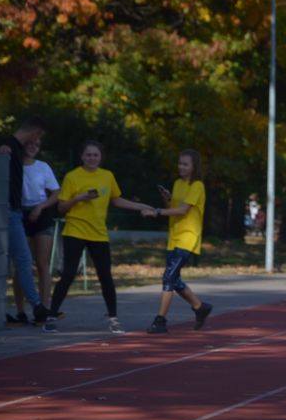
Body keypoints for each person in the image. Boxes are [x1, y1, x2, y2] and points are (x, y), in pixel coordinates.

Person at [48, 140, 154, 334]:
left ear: (100, 157)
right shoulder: (73, 177)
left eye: (95, 155)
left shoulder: (107, 176)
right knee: (69, 274)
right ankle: (51, 316)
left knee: (105, 276)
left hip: (98, 233)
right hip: (75, 230)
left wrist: (141, 206)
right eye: (88, 155)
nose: (92, 158)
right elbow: (61, 207)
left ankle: (113, 318)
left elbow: (116, 199)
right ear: (82, 157)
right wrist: (79, 198)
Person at [141, 149, 212, 333]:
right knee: (174, 279)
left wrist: (156, 211)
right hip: (175, 236)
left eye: (185, 164)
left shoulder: (197, 186)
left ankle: (160, 320)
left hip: (188, 237)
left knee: (168, 277)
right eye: (180, 163)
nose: (181, 167)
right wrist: (167, 200)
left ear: (194, 166)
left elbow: (183, 210)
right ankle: (200, 307)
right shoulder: (177, 183)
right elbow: (174, 208)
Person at [0, 117, 52, 328]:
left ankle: (0, 310)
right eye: (38, 136)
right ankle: (36, 305)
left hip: (12, 211)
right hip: (9, 212)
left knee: (9, 261)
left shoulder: (13, 148)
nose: (36, 141)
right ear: (34, 132)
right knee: (23, 260)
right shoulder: (9, 148)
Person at [10, 136, 60, 325]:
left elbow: (56, 192)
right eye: (29, 144)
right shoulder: (13, 165)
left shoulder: (43, 167)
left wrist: (41, 207)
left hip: (41, 214)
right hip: (18, 215)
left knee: (42, 263)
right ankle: (20, 311)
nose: (33, 147)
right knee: (22, 265)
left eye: (37, 145)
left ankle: (43, 308)